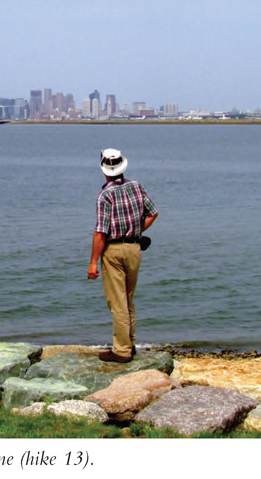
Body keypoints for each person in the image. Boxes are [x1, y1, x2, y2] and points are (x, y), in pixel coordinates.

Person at [87, 148, 158, 363]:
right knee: (128, 299)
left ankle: (121, 351)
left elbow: (100, 232)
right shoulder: (136, 186)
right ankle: (130, 343)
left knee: (117, 303)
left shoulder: (105, 195)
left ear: (104, 171)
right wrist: (136, 230)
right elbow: (153, 213)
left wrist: (92, 264)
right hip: (134, 248)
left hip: (114, 250)